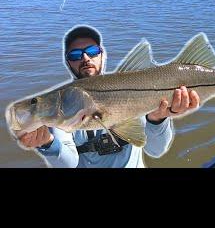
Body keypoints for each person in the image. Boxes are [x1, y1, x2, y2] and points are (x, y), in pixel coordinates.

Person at [16, 25, 200, 167]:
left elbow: (156, 150)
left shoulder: (132, 88)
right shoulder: (62, 108)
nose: (86, 58)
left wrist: (157, 119)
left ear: (103, 55)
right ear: (68, 62)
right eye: (76, 54)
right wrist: (48, 144)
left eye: (93, 51)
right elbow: (69, 163)